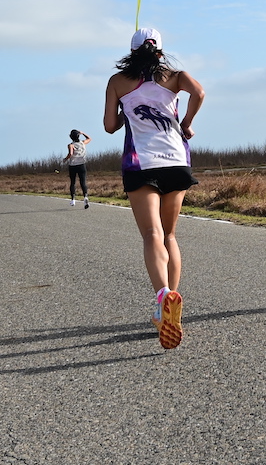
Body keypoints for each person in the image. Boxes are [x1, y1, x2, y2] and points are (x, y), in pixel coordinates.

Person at [102, 27, 204, 350]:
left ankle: (163, 297)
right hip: (176, 160)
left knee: (152, 235)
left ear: (133, 52)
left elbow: (109, 126)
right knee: (170, 236)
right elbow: (199, 93)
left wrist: (123, 112)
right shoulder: (175, 76)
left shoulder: (117, 82)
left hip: (141, 163)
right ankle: (169, 307)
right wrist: (186, 123)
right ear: (159, 51)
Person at [64, 130, 92, 207]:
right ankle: (85, 196)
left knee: (72, 182)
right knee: (83, 182)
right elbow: (89, 138)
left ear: (70, 137)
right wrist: (83, 133)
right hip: (82, 165)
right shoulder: (83, 143)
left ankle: (73, 199)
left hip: (73, 165)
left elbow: (70, 153)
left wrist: (65, 159)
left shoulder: (71, 145)